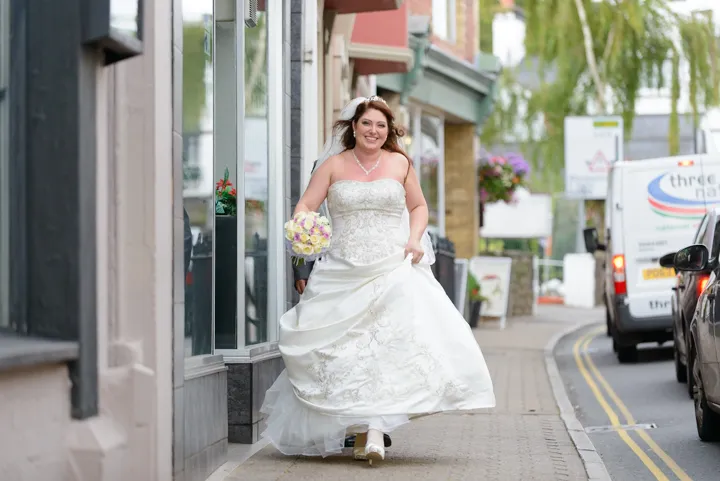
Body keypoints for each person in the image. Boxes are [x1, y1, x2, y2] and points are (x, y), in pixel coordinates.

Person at [260, 96, 495, 465]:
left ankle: (373, 430)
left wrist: (415, 239)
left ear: (389, 131)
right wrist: (308, 229)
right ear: (353, 126)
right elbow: (305, 206)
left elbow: (418, 207)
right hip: (342, 268)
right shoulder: (333, 166)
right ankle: (356, 426)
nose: (373, 131)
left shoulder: (400, 163)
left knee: (386, 349)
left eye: (381, 126)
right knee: (345, 350)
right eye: (367, 124)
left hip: (391, 264)